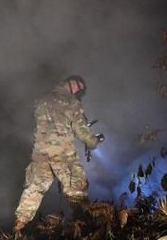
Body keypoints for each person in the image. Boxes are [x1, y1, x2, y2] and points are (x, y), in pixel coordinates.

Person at [13, 75, 102, 232]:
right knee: (76, 191)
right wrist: (93, 142)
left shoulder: (41, 100)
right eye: (79, 88)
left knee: (34, 189)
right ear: (71, 84)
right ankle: (85, 228)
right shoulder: (72, 102)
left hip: (40, 153)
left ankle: (19, 226)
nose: (79, 92)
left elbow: (32, 124)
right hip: (63, 154)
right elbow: (81, 131)